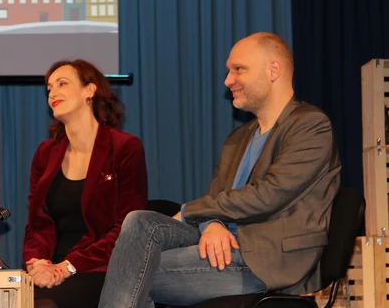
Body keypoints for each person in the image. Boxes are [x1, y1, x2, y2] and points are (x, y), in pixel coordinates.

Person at [98, 33, 341, 307]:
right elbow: (217, 195)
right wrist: (211, 223)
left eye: (238, 69)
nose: (228, 80)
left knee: (130, 271)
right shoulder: (238, 138)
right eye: (229, 70)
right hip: (225, 246)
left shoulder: (310, 125)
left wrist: (192, 212)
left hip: (267, 259)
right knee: (140, 222)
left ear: (274, 70)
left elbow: (269, 195)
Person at [23, 59, 149, 308]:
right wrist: (36, 262)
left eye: (62, 84)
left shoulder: (125, 148)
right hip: (50, 270)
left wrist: (68, 267)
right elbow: (35, 225)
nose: (53, 93)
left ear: (89, 91)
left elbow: (127, 230)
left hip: (99, 268)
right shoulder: (45, 153)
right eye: (49, 88)